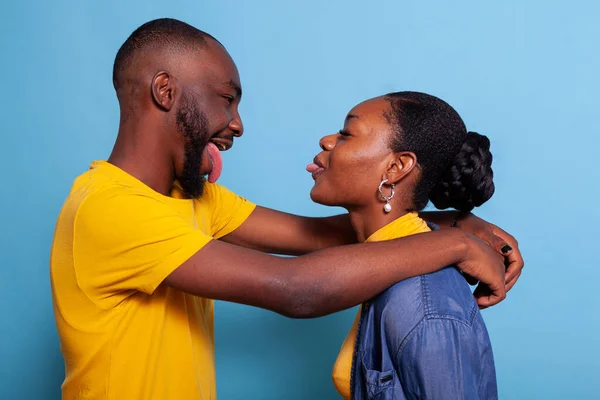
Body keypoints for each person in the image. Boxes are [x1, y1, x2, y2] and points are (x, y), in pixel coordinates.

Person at [49, 18, 523, 399]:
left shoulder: (192, 199)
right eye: (227, 99)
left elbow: (319, 236)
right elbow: (295, 289)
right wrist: (454, 243)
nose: (236, 124)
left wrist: (454, 219)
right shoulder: (110, 209)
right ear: (166, 91)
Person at [307, 92, 500, 399]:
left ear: (396, 166)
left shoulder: (427, 305)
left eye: (346, 134)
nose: (326, 141)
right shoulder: (386, 262)